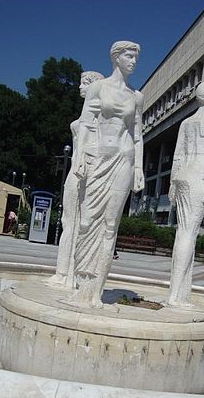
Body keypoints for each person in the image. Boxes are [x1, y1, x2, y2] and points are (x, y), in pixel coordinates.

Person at [70, 41, 144, 308]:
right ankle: (82, 282)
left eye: (136, 56)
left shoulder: (137, 96)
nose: (134, 61)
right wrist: (81, 158)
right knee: (88, 220)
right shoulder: (98, 88)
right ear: (116, 57)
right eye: (129, 55)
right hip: (100, 159)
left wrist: (139, 169)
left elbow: (137, 136)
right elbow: (87, 124)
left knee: (111, 225)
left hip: (124, 160)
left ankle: (95, 291)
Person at [166, 81, 204, 307]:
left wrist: (171, 184)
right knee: (189, 234)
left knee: (183, 234)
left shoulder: (186, 122)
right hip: (199, 178)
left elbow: (177, 155)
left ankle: (180, 293)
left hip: (182, 178)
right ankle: (175, 296)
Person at [49, 71, 104, 289]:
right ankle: (62, 272)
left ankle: (71, 273)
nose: (79, 87)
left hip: (84, 171)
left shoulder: (98, 115)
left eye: (83, 84)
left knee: (79, 224)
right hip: (74, 171)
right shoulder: (86, 114)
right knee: (67, 222)